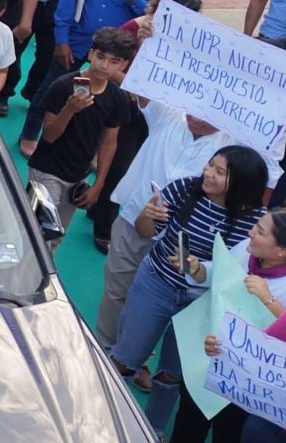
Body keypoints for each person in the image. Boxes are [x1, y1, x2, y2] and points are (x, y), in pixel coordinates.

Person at [109, 145, 272, 428]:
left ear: (242, 184)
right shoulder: (184, 189)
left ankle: (153, 430)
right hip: (156, 283)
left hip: (202, 303)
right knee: (125, 358)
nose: (207, 174)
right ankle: (106, 414)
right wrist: (148, 215)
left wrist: (200, 270)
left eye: (219, 172)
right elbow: (143, 231)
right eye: (210, 165)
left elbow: (240, 271)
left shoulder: (256, 220)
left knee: (171, 374)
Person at [25, 25, 137, 239]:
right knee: (37, 233)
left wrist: (99, 184)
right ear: (90, 54)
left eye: (113, 62)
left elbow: (109, 143)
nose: (104, 66)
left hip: (77, 176)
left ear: (123, 65)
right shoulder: (62, 86)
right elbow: (49, 135)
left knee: (56, 236)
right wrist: (70, 109)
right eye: (101, 57)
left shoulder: (118, 99)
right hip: (46, 170)